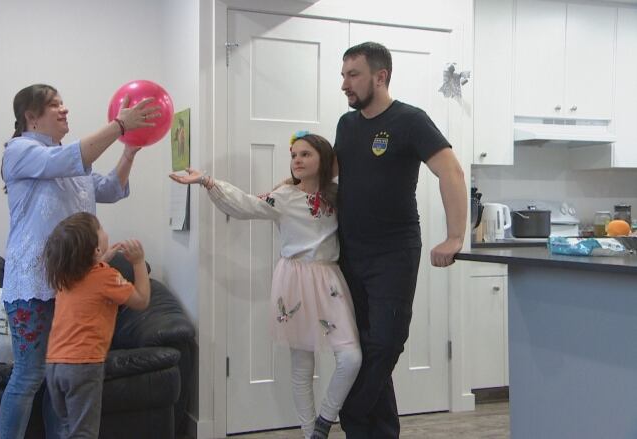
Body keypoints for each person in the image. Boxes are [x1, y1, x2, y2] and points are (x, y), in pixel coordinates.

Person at [171, 132, 362, 439]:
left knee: (351, 357)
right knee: (302, 363)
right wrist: (207, 181)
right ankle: (310, 432)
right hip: (295, 281)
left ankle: (325, 420)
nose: (296, 160)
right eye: (294, 155)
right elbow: (244, 205)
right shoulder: (283, 197)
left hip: (328, 282)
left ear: (323, 159)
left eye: (305, 154)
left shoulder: (337, 196)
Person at [0, 83, 159, 438]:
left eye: (63, 103)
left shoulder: (73, 159)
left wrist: (129, 151)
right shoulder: (20, 151)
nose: (64, 109)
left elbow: (111, 189)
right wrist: (120, 124)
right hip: (33, 285)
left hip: (73, 285)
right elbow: (69, 159)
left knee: (61, 371)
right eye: (54, 105)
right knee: (28, 375)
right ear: (31, 116)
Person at [334, 42, 467, 438]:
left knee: (386, 344)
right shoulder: (347, 124)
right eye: (342, 75)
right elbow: (329, 175)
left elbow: (452, 172)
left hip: (394, 252)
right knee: (362, 348)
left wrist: (455, 236)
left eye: (352, 74)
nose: (344, 84)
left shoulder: (410, 120)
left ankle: (348, 415)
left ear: (381, 76)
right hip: (349, 253)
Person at [42, 212, 150, 439]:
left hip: (54, 365)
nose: (105, 231)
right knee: (84, 433)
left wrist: (101, 260)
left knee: (65, 429)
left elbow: (88, 280)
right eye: (100, 228)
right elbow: (141, 300)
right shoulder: (106, 277)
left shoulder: (65, 276)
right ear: (95, 250)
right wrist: (139, 262)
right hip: (83, 364)